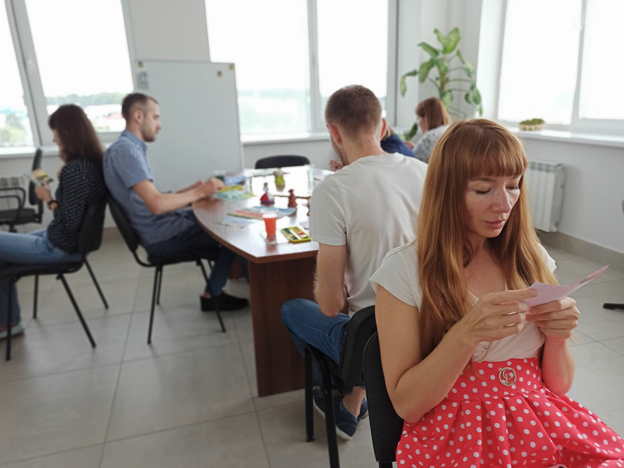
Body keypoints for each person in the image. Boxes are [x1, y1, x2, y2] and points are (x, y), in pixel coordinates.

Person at [371, 119, 624, 467]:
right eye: (483, 190)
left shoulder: (531, 259)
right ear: (447, 191)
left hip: (537, 425)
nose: (504, 204)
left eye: (514, 186)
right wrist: (466, 334)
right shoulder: (403, 271)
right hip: (456, 437)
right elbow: (406, 405)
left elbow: (558, 386)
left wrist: (558, 335)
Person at [281, 85, 428, 440]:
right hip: (431, 327)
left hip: (373, 340)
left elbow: (331, 305)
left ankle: (348, 389)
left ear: (333, 131)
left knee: (292, 309)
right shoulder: (426, 172)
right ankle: (354, 399)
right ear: (382, 126)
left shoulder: (333, 190)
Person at [104, 93, 248, 312]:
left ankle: (219, 290)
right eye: (156, 117)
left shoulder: (127, 148)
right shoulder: (126, 151)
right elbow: (156, 205)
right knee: (233, 232)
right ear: (138, 116)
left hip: (162, 224)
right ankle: (225, 294)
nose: (159, 125)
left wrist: (190, 191)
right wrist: (199, 192)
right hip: (160, 235)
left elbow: (151, 199)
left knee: (228, 222)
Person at [0, 104, 107, 339]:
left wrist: (48, 198)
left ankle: (8, 322)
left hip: (60, 247)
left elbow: (68, 222)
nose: (53, 138)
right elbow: (74, 213)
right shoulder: (90, 164)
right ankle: (7, 321)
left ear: (67, 132)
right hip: (66, 241)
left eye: (55, 131)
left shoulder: (75, 170)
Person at [407, 96, 451, 163]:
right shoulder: (448, 130)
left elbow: (412, 162)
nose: (418, 123)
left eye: (418, 118)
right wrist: (416, 148)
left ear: (426, 117)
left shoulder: (430, 137)